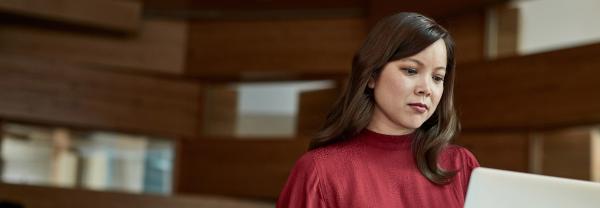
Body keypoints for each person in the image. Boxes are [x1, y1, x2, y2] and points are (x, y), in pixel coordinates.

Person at [276, 12, 480, 208]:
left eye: (437, 78)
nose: (426, 89)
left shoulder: (461, 165)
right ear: (372, 75)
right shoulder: (318, 171)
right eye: (411, 70)